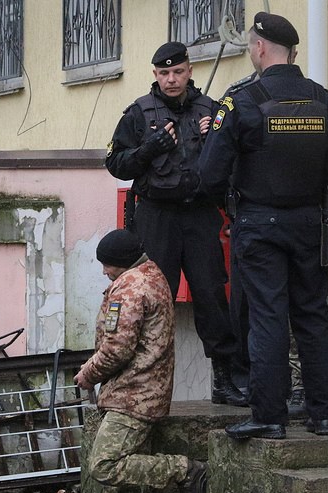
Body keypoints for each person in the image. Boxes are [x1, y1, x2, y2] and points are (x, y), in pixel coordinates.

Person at [199, 12, 328, 440]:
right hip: (311, 223)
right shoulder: (324, 100)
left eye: (249, 45)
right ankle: (323, 415)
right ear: (292, 52)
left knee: (266, 317)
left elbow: (209, 174)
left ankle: (269, 414)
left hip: (260, 224)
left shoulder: (242, 101)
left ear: (260, 48)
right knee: (313, 316)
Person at [105, 41, 246, 408]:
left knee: (212, 295)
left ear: (189, 71)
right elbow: (117, 164)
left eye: (178, 72)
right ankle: (147, 382)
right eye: (164, 73)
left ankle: (225, 380)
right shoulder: (138, 113)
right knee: (153, 300)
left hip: (200, 215)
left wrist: (213, 136)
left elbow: (233, 161)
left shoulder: (211, 110)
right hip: (156, 216)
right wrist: (148, 149)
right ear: (155, 75)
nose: (171, 79)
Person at [74, 229, 208, 493]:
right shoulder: (153, 275)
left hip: (133, 396)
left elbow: (117, 349)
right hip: (145, 392)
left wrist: (87, 374)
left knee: (105, 464)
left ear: (117, 260)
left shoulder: (130, 287)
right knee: (125, 490)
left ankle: (186, 471)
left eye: (105, 265)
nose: (104, 273)